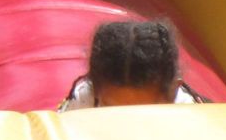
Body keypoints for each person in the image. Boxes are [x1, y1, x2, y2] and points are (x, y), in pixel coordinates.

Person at [58, 18, 211, 108]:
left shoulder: (186, 113)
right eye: (111, 110)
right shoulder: (84, 102)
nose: (127, 125)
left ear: (173, 92)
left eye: (144, 112)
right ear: (95, 90)